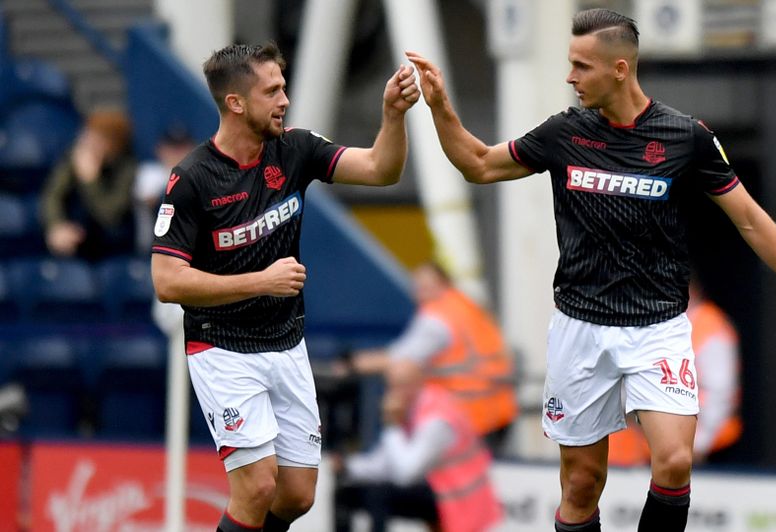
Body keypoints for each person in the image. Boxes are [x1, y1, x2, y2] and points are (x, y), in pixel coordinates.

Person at [406, 8, 776, 531]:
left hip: (657, 327)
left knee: (675, 461)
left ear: (620, 68)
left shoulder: (686, 138)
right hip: (580, 328)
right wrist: (440, 108)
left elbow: (750, 220)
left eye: (581, 66)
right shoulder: (564, 134)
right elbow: (478, 164)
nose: (570, 77)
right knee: (581, 485)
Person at [150, 43, 419, 532]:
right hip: (222, 348)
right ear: (235, 103)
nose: (285, 100)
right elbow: (167, 282)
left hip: (286, 343)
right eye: (272, 90)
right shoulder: (191, 178)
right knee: (256, 487)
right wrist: (261, 281)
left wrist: (393, 115)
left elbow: (382, 169)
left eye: (284, 87)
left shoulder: (293, 149)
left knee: (296, 496)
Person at [350, 261, 518, 451]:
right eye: (417, 286)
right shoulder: (464, 304)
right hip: (498, 410)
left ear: (443, 284)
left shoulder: (436, 318)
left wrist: (352, 364)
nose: (419, 292)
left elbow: (401, 359)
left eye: (426, 286)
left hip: (470, 415)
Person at [333, 359, 503, 532]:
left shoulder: (436, 418)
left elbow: (405, 474)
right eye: (389, 387)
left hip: (462, 499)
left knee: (378, 494)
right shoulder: (412, 410)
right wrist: (348, 467)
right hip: (443, 493)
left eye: (398, 387)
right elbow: (385, 464)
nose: (390, 395)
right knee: (347, 492)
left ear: (415, 385)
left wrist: (392, 425)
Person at [609, 280, 742, 467]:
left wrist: (698, 444)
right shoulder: (648, 323)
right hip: (650, 451)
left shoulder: (707, 325)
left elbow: (718, 393)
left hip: (705, 452)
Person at [40, 109, 137, 261]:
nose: (89, 143)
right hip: (77, 236)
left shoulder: (127, 168)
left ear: (112, 143)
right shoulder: (76, 156)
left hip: (112, 244)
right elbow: (53, 194)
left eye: (97, 139)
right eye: (87, 136)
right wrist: (56, 225)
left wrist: (91, 181)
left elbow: (110, 215)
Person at [133, 126, 195, 255]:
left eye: (182, 148)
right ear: (160, 149)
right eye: (172, 148)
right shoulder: (149, 172)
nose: (177, 153)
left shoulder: (201, 173)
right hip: (154, 242)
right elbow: (146, 204)